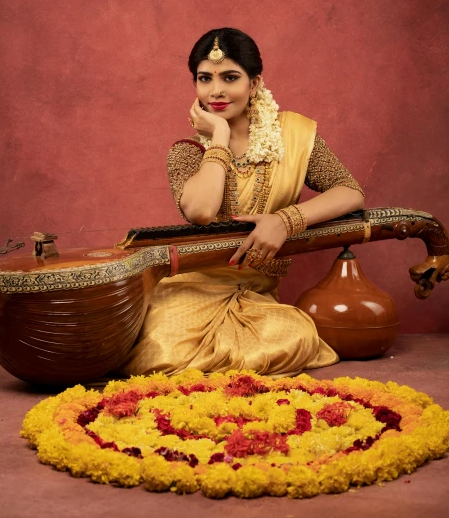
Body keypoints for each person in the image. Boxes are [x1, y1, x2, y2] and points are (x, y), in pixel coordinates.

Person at [121, 28, 365, 378]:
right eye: (205, 79)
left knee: (294, 338)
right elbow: (201, 212)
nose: (216, 91)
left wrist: (285, 220)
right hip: (192, 288)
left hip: (256, 295)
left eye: (230, 77)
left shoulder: (291, 137)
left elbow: (349, 190)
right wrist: (218, 136)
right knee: (161, 352)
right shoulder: (186, 153)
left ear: (254, 84)